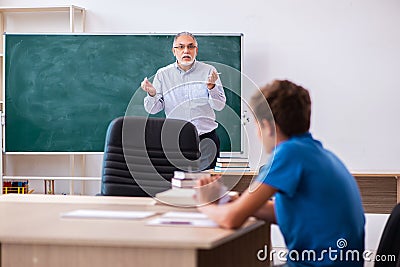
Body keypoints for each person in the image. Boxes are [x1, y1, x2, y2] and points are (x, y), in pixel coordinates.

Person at [197, 80, 365, 267]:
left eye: (256, 126)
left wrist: (203, 203)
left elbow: (231, 219)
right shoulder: (314, 152)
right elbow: (286, 212)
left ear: (268, 126)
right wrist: (232, 200)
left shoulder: (289, 154)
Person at [141, 32, 226, 170]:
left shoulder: (209, 71)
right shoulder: (163, 74)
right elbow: (152, 109)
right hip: (174, 140)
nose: (186, 51)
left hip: (206, 139)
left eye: (190, 46)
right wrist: (151, 94)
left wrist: (211, 87)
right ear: (174, 51)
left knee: (205, 186)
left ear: (196, 50)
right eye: (181, 47)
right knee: (176, 185)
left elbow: (220, 105)